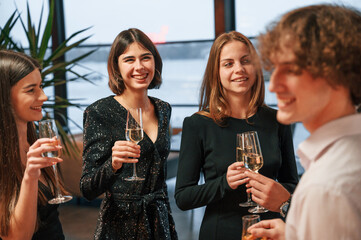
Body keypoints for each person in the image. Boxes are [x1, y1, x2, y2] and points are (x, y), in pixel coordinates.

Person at [248, 4, 361, 240]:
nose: (273, 85)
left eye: (291, 70)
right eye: (275, 68)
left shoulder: (327, 188)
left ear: (338, 72)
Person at [174, 31, 299, 240]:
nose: (239, 69)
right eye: (228, 64)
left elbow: (292, 184)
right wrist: (224, 183)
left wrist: (275, 190)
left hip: (271, 232)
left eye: (245, 61)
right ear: (216, 72)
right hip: (220, 232)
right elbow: (183, 197)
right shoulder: (198, 124)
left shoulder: (278, 120)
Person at [80, 28, 178, 239]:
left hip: (159, 221)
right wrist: (113, 165)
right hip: (119, 225)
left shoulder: (163, 109)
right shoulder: (99, 112)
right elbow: (87, 189)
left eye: (145, 58)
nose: (139, 67)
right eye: (129, 59)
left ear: (155, 62)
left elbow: (159, 178)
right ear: (116, 66)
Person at [0, 50, 65, 239]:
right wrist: (30, 176)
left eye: (41, 86)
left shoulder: (34, 142)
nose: (43, 96)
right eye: (31, 90)